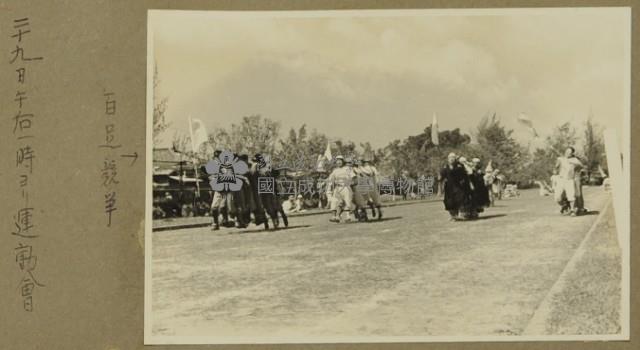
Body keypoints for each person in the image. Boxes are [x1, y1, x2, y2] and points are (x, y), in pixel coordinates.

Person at [440, 153, 471, 221]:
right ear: (448, 159)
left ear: (455, 159)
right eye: (450, 158)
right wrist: (442, 179)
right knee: (449, 201)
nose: (451, 159)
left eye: (453, 157)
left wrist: (463, 181)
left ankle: (461, 214)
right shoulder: (445, 167)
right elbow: (442, 175)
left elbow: (464, 175)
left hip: (458, 187)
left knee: (460, 199)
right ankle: (453, 216)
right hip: (449, 187)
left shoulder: (459, 166)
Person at [554, 146, 583, 216]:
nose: (567, 153)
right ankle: (565, 204)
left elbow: (581, 166)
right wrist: (557, 165)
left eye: (569, 153)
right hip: (561, 179)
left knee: (571, 196)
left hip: (569, 180)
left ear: (572, 154)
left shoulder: (575, 160)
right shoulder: (560, 159)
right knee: (557, 198)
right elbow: (556, 168)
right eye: (566, 152)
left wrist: (572, 162)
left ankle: (573, 210)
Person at [326, 155, 356, 223]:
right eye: (337, 161)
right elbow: (331, 179)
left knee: (347, 201)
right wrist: (330, 187)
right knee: (334, 201)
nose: (339, 162)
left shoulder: (347, 168)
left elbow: (353, 176)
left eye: (340, 160)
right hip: (337, 188)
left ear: (343, 161)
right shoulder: (335, 170)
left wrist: (353, 182)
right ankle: (334, 217)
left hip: (346, 187)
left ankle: (348, 217)